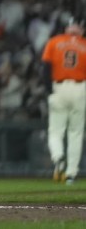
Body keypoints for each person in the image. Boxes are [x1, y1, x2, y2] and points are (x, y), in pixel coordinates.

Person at [41, 17, 86, 185]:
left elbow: (45, 68)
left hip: (58, 87)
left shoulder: (54, 42)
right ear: (81, 30)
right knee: (76, 133)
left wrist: (49, 91)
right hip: (80, 88)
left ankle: (58, 156)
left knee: (55, 131)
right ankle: (71, 174)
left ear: (67, 28)